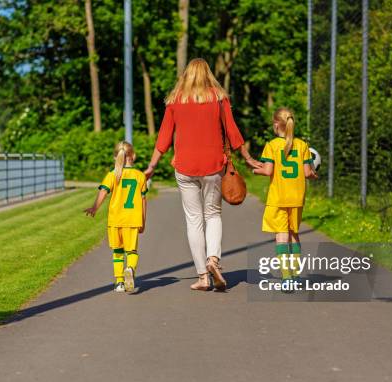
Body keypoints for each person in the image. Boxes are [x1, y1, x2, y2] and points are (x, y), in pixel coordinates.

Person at [144, 58, 262, 291]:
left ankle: (203, 277)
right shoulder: (218, 99)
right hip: (213, 167)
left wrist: (151, 166)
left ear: (186, 75)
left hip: (185, 167)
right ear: (209, 75)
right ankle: (213, 260)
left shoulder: (175, 100)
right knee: (213, 215)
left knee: (194, 220)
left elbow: (164, 138)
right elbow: (233, 131)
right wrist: (248, 159)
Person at [252, 108, 318, 286]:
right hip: (297, 197)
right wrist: (313, 174)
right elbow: (307, 172)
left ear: (276, 124)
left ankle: (286, 277)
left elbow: (268, 171)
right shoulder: (302, 145)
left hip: (278, 197)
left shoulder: (272, 145)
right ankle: (296, 274)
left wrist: (254, 169)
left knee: (281, 235)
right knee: (294, 233)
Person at [85, 141, 148, 293]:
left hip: (115, 220)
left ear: (115, 157)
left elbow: (103, 193)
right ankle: (130, 269)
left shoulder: (112, 175)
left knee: (117, 251)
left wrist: (94, 207)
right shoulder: (140, 176)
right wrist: (143, 221)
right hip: (132, 220)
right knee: (131, 251)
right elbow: (143, 201)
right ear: (133, 156)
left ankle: (119, 282)